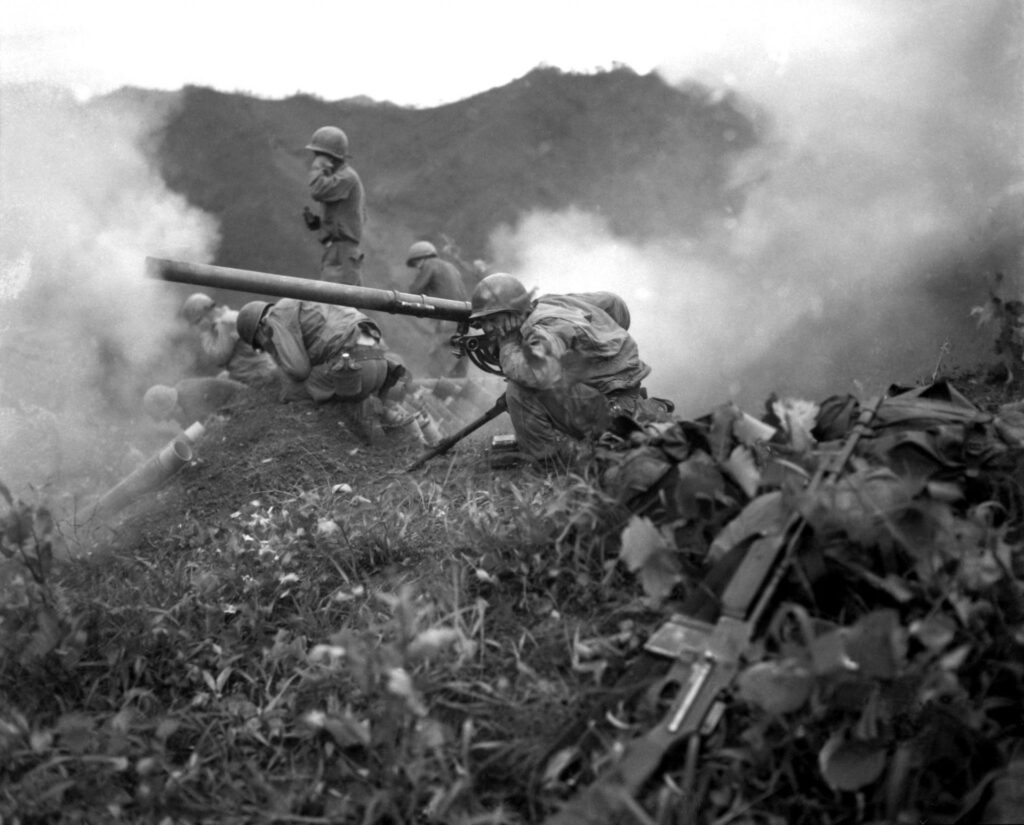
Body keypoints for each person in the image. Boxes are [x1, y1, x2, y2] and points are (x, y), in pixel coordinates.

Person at [469, 273, 673, 463]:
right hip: (618, 395)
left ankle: (547, 465)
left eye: (493, 320)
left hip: (613, 410)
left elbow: (535, 374)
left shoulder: (544, 327)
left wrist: (507, 343)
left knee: (520, 390)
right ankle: (636, 413)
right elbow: (614, 303)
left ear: (513, 312)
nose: (487, 328)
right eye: (482, 322)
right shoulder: (552, 303)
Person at [235, 298, 410, 444]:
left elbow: (299, 369)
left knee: (293, 391)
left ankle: (324, 440)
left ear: (259, 329)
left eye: (260, 344)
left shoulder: (273, 319)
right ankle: (397, 428)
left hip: (355, 369)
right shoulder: (301, 303)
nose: (265, 348)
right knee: (334, 384)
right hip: (379, 363)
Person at [302, 126, 366, 286]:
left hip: (341, 256)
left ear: (330, 157)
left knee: (334, 300)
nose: (315, 159)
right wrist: (321, 224)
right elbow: (344, 215)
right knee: (331, 299)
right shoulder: (339, 178)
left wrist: (319, 166)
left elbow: (317, 191)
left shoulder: (347, 177)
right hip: (336, 253)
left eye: (319, 155)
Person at [181, 292, 277, 386]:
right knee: (219, 380)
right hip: (245, 372)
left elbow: (220, 358)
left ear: (206, 313)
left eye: (197, 322)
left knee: (216, 387)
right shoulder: (219, 324)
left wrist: (205, 335)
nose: (197, 327)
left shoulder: (227, 323)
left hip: (256, 375)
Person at [405, 240, 471, 377]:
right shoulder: (451, 267)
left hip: (447, 326)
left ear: (421, 259)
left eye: (416, 264)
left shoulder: (430, 264)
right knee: (459, 376)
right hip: (464, 326)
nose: (418, 268)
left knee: (435, 373)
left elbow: (415, 290)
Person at [142, 376, 249, 429]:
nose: (168, 420)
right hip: (240, 401)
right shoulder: (182, 391)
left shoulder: (190, 399)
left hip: (244, 401)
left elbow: (212, 424)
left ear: (172, 406)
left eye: (168, 416)